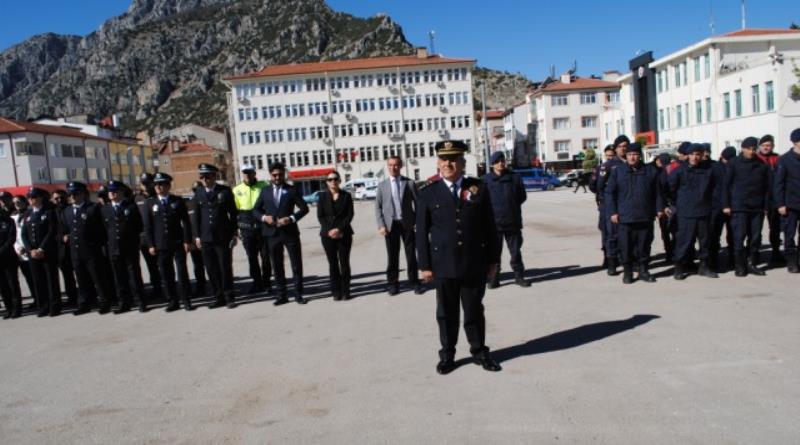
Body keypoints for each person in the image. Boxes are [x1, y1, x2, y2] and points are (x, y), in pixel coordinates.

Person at [416, 140, 501, 375]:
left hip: (474, 263)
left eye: (453, 159)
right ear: (437, 163)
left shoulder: (478, 188)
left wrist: (494, 260)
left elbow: (490, 227)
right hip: (443, 265)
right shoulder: (427, 192)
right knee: (446, 313)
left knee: (474, 310)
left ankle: (479, 351)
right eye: (444, 159)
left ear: (463, 163)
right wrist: (424, 265)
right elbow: (421, 233)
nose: (448, 163)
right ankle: (448, 355)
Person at [605, 142, 665, 284]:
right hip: (625, 217)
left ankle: (644, 270)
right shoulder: (618, 171)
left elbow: (658, 193)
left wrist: (659, 209)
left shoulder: (650, 171)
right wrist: (613, 212)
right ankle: (628, 272)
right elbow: (610, 193)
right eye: (629, 155)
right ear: (626, 156)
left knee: (644, 245)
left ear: (640, 156)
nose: (632, 157)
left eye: (635, 155)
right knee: (626, 245)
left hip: (645, 215)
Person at [252, 162, 309, 305]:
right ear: (270, 175)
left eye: (280, 174)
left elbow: (304, 208)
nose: (277, 177)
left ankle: (298, 294)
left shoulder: (292, 190)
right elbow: (255, 210)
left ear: (284, 174)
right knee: (277, 265)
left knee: (296, 264)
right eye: (274, 175)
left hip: (290, 233)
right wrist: (265, 218)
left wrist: (291, 218)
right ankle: (281, 295)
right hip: (272, 234)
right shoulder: (264, 191)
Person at [141, 173, 194, 311]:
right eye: (156, 184)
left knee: (182, 273)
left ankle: (186, 300)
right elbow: (148, 226)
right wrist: (151, 244)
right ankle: (172, 301)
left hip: (177, 242)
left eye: (161, 184)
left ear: (168, 186)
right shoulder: (150, 202)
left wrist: (187, 240)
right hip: (161, 244)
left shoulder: (177, 201)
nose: (158, 187)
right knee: (166, 274)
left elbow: (186, 222)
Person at [63, 182, 115, 315]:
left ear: (82, 194)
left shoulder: (93, 208)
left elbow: (103, 229)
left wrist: (99, 245)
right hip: (76, 251)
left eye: (75, 194)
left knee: (98, 278)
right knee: (81, 279)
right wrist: (64, 236)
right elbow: (64, 229)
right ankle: (85, 303)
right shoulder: (67, 211)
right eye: (70, 194)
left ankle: (104, 302)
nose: (72, 197)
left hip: (92, 250)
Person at [192, 163, 239, 309]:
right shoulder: (199, 193)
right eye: (202, 176)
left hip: (222, 236)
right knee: (211, 268)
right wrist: (197, 236)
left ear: (214, 176)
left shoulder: (224, 191)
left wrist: (233, 233)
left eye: (207, 176)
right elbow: (196, 217)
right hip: (206, 237)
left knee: (224, 267)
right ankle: (217, 296)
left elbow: (233, 214)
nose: (204, 179)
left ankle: (229, 296)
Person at [668, 144, 717, 279]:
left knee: (705, 242)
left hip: (704, 211)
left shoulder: (708, 171)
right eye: (692, 154)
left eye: (698, 154)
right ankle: (679, 268)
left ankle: (704, 267)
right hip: (686, 213)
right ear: (688, 155)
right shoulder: (679, 171)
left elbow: (714, 189)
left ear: (701, 156)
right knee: (684, 241)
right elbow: (670, 189)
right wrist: (677, 204)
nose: (695, 157)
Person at [723, 137, 771, 277]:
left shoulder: (762, 165)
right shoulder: (734, 164)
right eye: (748, 148)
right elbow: (726, 185)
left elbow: (768, 187)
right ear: (742, 148)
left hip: (757, 207)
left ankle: (752, 263)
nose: (751, 151)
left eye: (753, 149)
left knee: (755, 237)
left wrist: (766, 206)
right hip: (739, 206)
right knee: (739, 237)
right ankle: (740, 266)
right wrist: (726, 204)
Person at [374, 156, 422, 295]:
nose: (393, 167)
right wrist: (381, 225)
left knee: (411, 255)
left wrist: (418, 223)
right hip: (391, 226)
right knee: (392, 256)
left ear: (400, 166)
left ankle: (414, 282)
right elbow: (378, 207)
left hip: (407, 224)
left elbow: (418, 204)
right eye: (390, 165)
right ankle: (393, 283)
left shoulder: (410, 183)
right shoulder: (382, 186)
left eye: (395, 165)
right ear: (387, 166)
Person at [483, 151, 530, 288]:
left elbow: (522, 196)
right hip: (494, 224)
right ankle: (494, 279)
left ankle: (519, 276)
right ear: (492, 164)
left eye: (503, 160)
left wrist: (512, 207)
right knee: (494, 254)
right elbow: (483, 201)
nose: (501, 163)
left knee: (515, 252)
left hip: (512, 222)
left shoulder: (515, 178)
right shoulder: (485, 180)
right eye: (498, 161)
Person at [102, 180, 147, 313]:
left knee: (134, 276)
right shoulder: (105, 209)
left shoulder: (131, 207)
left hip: (129, 247)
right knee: (119, 278)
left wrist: (132, 240)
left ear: (121, 192)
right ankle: (124, 303)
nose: (112, 194)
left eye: (115, 191)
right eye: (110, 192)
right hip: (114, 249)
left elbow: (139, 226)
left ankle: (140, 302)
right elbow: (105, 229)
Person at [20, 187, 61, 317]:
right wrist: (30, 250)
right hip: (33, 253)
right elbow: (24, 234)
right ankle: (43, 307)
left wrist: (41, 249)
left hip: (47, 252)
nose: (31, 200)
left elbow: (51, 231)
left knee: (51, 280)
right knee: (38, 281)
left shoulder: (49, 211)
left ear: (40, 198)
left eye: (33, 197)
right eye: (29, 198)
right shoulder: (27, 213)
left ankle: (54, 306)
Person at [233, 164, 271, 295]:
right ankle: (256, 282)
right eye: (245, 173)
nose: (247, 175)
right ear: (242, 174)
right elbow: (235, 212)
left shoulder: (264, 186)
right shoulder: (237, 189)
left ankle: (267, 282)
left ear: (255, 173)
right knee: (251, 257)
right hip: (246, 227)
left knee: (266, 256)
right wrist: (236, 229)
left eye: (250, 172)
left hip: (262, 225)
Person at [317, 171, 355, 300]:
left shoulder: (346, 196)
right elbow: (320, 216)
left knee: (344, 263)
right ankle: (336, 291)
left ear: (339, 180)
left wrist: (338, 229)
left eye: (335, 179)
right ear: (326, 182)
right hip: (327, 235)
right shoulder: (322, 197)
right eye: (330, 179)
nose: (333, 181)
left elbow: (349, 215)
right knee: (332, 264)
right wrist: (330, 230)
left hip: (344, 234)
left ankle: (346, 290)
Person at [595, 135, 629, 275]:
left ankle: (628, 260)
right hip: (611, 206)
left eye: (625, 146)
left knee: (627, 235)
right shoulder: (608, 165)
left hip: (627, 205)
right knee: (612, 235)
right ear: (616, 148)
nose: (623, 149)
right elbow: (600, 186)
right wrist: (607, 204)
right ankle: (611, 263)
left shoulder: (630, 163)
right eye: (620, 146)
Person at [774, 128, 800, 273]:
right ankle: (791, 261)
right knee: (789, 234)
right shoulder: (784, 160)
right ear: (795, 142)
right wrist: (780, 204)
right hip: (790, 204)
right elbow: (778, 184)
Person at [134, 173, 163, 303]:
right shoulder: (136, 198)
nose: (145, 185)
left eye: (147, 183)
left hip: (158, 236)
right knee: (151, 266)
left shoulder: (158, 195)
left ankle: (167, 288)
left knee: (162, 264)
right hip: (143, 238)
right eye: (143, 183)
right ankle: (157, 289)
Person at [756, 134, 783, 266]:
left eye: (769, 145)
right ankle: (755, 254)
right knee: (756, 228)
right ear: (760, 146)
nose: (767, 148)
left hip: (774, 198)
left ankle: (776, 252)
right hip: (759, 198)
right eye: (764, 145)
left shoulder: (777, 158)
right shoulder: (756, 159)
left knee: (775, 227)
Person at [709, 147, 736, 272]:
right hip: (716, 206)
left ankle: (733, 258)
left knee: (733, 234)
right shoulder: (714, 168)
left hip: (732, 205)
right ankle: (713, 260)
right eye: (726, 159)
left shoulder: (734, 166)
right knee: (714, 234)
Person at [51, 189, 79, 308]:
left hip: (76, 246)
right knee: (68, 276)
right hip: (61, 249)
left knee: (81, 274)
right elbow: (51, 230)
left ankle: (88, 295)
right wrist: (61, 237)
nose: (59, 200)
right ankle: (72, 298)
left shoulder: (71, 209)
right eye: (56, 198)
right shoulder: (52, 212)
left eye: (61, 197)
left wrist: (70, 235)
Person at [589, 144, 616, 265]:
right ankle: (607, 257)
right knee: (606, 231)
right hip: (605, 204)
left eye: (612, 155)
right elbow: (592, 185)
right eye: (608, 156)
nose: (610, 158)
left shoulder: (620, 167)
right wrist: (602, 195)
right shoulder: (600, 168)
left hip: (618, 203)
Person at [11, 196, 35, 312]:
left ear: (25, 202)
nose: (17, 204)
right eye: (15, 202)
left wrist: (27, 248)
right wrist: (18, 248)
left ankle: (41, 299)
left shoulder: (30, 213)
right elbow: (14, 236)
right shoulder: (13, 216)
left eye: (19, 201)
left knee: (36, 277)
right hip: (19, 251)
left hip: (30, 249)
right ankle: (36, 299)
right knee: (28, 278)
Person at [186, 182, 208, 299]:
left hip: (206, 238)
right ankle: (201, 287)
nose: (196, 192)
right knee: (198, 266)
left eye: (198, 189)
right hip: (194, 240)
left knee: (210, 265)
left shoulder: (205, 202)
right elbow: (186, 224)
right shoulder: (188, 204)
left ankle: (216, 286)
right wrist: (188, 241)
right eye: (194, 190)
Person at [0, 205, 22, 319]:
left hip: (8, 257)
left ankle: (17, 309)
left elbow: (11, 238)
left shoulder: (9, 221)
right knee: (2, 286)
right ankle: (9, 309)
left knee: (12, 283)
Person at [653, 153, 673, 262]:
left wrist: (661, 207)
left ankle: (669, 252)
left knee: (665, 231)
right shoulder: (675, 170)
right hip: (673, 205)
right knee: (675, 231)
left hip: (665, 206)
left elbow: (659, 192)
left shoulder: (660, 173)